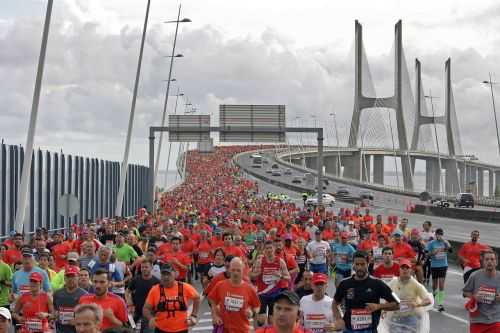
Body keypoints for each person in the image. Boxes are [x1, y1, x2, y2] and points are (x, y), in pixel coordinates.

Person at [332, 251, 399, 333]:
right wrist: (338, 319)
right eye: (357, 264)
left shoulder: (378, 283)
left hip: (370, 330)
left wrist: (378, 306)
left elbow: (397, 304)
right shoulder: (344, 283)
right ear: (353, 265)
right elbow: (335, 303)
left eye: (362, 264)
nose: (359, 267)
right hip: (349, 330)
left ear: (368, 264)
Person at [143, 263, 200, 333]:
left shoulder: (184, 287)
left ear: (175, 274)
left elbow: (197, 298)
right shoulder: (155, 290)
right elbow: (146, 308)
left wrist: (194, 315)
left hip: (181, 329)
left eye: (168, 274)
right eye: (163, 274)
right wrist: (150, 318)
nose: (166, 277)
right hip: (161, 329)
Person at [208, 257, 260, 333]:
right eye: (233, 270)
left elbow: (257, 306)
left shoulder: (249, 288)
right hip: (224, 329)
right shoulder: (220, 285)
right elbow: (211, 299)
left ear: (243, 271)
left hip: (242, 329)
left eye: (238, 270)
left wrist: (252, 312)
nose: (235, 273)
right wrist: (215, 316)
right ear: (229, 270)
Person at [380, 259, 432, 333]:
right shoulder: (393, 282)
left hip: (411, 318)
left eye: (407, 268)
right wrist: (384, 310)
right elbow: (387, 298)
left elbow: (428, 300)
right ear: (399, 270)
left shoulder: (415, 284)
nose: (405, 270)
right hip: (396, 317)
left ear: (410, 270)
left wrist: (417, 304)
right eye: (402, 268)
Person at [251, 240, 290, 326]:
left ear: (274, 249)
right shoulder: (260, 262)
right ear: (264, 250)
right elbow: (252, 276)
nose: (269, 250)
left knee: (272, 321)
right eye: (267, 248)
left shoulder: (280, 261)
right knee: (261, 320)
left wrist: (280, 276)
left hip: (275, 294)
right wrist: (257, 273)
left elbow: (288, 278)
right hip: (262, 293)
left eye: (270, 248)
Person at [463, 250, 500, 333]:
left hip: (495, 320)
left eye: (492, 259)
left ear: (496, 262)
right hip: (477, 320)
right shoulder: (475, 276)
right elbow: (465, 292)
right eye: (487, 259)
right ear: (482, 262)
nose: (489, 261)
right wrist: (474, 296)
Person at [126, 259, 160, 333]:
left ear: (151, 268)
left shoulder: (157, 282)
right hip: (135, 312)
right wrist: (128, 300)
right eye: (142, 267)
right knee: (131, 328)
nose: (144, 269)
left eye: (146, 267)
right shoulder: (136, 279)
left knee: (147, 331)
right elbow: (128, 291)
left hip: (149, 313)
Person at [53, 266, 88, 333]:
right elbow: (54, 309)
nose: (70, 279)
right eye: (68, 276)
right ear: (64, 278)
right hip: (60, 330)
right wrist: (55, 313)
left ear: (78, 277)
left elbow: (89, 317)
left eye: (73, 276)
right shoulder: (57, 293)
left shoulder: (85, 295)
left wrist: (78, 321)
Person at [425, 228, 451, 312]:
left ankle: (440, 304)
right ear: (435, 235)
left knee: (441, 284)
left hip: (443, 265)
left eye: (440, 234)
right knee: (435, 285)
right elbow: (426, 254)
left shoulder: (445, 242)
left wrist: (446, 243)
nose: (439, 236)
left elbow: (450, 250)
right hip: (434, 265)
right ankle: (433, 296)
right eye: (437, 234)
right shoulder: (431, 243)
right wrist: (433, 253)